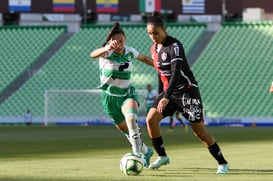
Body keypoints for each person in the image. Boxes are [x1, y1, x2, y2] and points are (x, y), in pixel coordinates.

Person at [145, 11, 229, 174]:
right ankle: (162, 156)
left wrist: (166, 96)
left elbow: (176, 73)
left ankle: (222, 163)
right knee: (150, 120)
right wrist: (159, 95)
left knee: (199, 132)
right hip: (169, 92)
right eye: (150, 34)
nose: (153, 36)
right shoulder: (154, 49)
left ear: (164, 29)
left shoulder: (174, 46)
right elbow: (160, 73)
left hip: (187, 92)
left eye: (156, 32)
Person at [90, 22, 154, 167]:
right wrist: (107, 47)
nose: (119, 44)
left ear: (125, 41)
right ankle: (146, 151)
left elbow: (143, 58)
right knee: (127, 131)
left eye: (122, 41)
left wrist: (158, 66)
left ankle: (136, 155)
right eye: (116, 41)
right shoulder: (106, 52)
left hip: (127, 94)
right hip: (109, 98)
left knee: (131, 118)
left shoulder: (130, 52)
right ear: (110, 41)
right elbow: (92, 55)